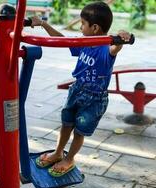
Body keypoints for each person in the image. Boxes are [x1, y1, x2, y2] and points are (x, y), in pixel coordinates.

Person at [31, 1, 131, 177]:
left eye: (82, 24)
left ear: (95, 28)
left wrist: (123, 37)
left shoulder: (107, 48)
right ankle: (58, 152)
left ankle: (69, 159)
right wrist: (43, 24)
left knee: (79, 132)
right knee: (66, 124)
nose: (80, 28)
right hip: (76, 90)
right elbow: (61, 40)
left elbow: (116, 47)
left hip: (94, 99)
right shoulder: (84, 42)